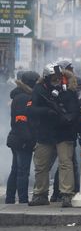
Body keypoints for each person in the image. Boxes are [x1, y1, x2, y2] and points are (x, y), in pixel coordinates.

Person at [28, 63, 81, 207]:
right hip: (45, 133)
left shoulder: (69, 91)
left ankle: (66, 194)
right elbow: (31, 110)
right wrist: (46, 112)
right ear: (46, 78)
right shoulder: (39, 90)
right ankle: (40, 194)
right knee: (41, 165)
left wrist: (68, 119)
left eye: (59, 77)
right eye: (54, 78)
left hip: (64, 133)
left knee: (65, 164)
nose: (57, 80)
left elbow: (75, 111)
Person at [5, 71, 39, 204]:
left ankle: (10, 198)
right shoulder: (23, 98)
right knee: (22, 171)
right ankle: (23, 199)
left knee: (16, 169)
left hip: (17, 138)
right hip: (22, 140)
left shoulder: (20, 96)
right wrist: (28, 140)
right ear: (31, 82)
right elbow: (21, 120)